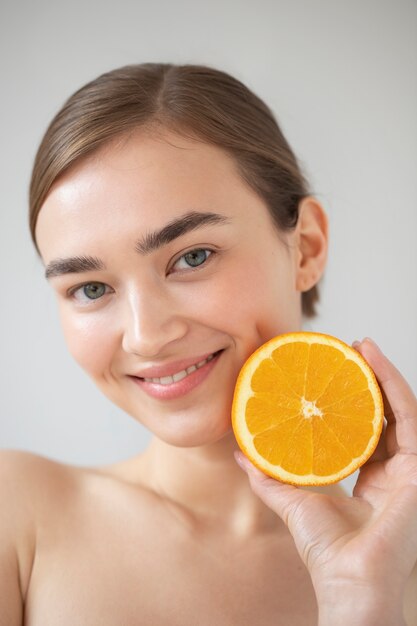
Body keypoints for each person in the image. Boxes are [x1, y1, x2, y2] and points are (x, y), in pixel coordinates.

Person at [1, 63, 416, 626]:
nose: (147, 334)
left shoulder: (397, 568)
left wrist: (363, 600)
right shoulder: (16, 513)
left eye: (192, 257)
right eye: (91, 288)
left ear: (306, 248)